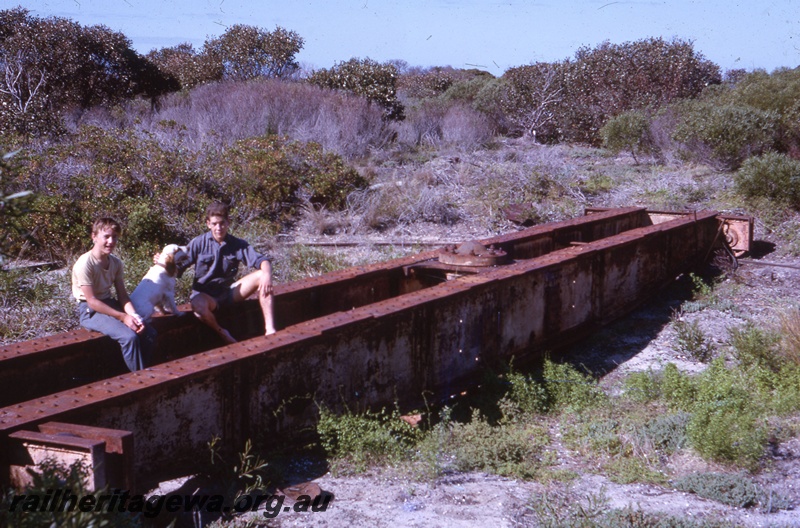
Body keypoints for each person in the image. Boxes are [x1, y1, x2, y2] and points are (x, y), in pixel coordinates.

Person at [180, 201, 276, 343]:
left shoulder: (237, 244)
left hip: (228, 293)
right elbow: (178, 266)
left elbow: (262, 260)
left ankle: (270, 329)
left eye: (222, 223)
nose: (218, 228)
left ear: (228, 222)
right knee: (198, 306)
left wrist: (267, 274)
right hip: (206, 296)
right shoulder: (198, 243)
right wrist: (163, 260)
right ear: (208, 224)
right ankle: (223, 333)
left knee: (262, 276)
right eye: (214, 224)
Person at [71, 217, 156, 371]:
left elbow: (123, 296)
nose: (111, 241)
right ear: (94, 237)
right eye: (106, 237)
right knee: (129, 338)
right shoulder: (84, 264)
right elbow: (91, 301)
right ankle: (140, 380)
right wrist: (123, 317)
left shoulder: (116, 263)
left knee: (148, 332)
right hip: (90, 311)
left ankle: (139, 369)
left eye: (114, 237)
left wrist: (134, 316)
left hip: (108, 303)